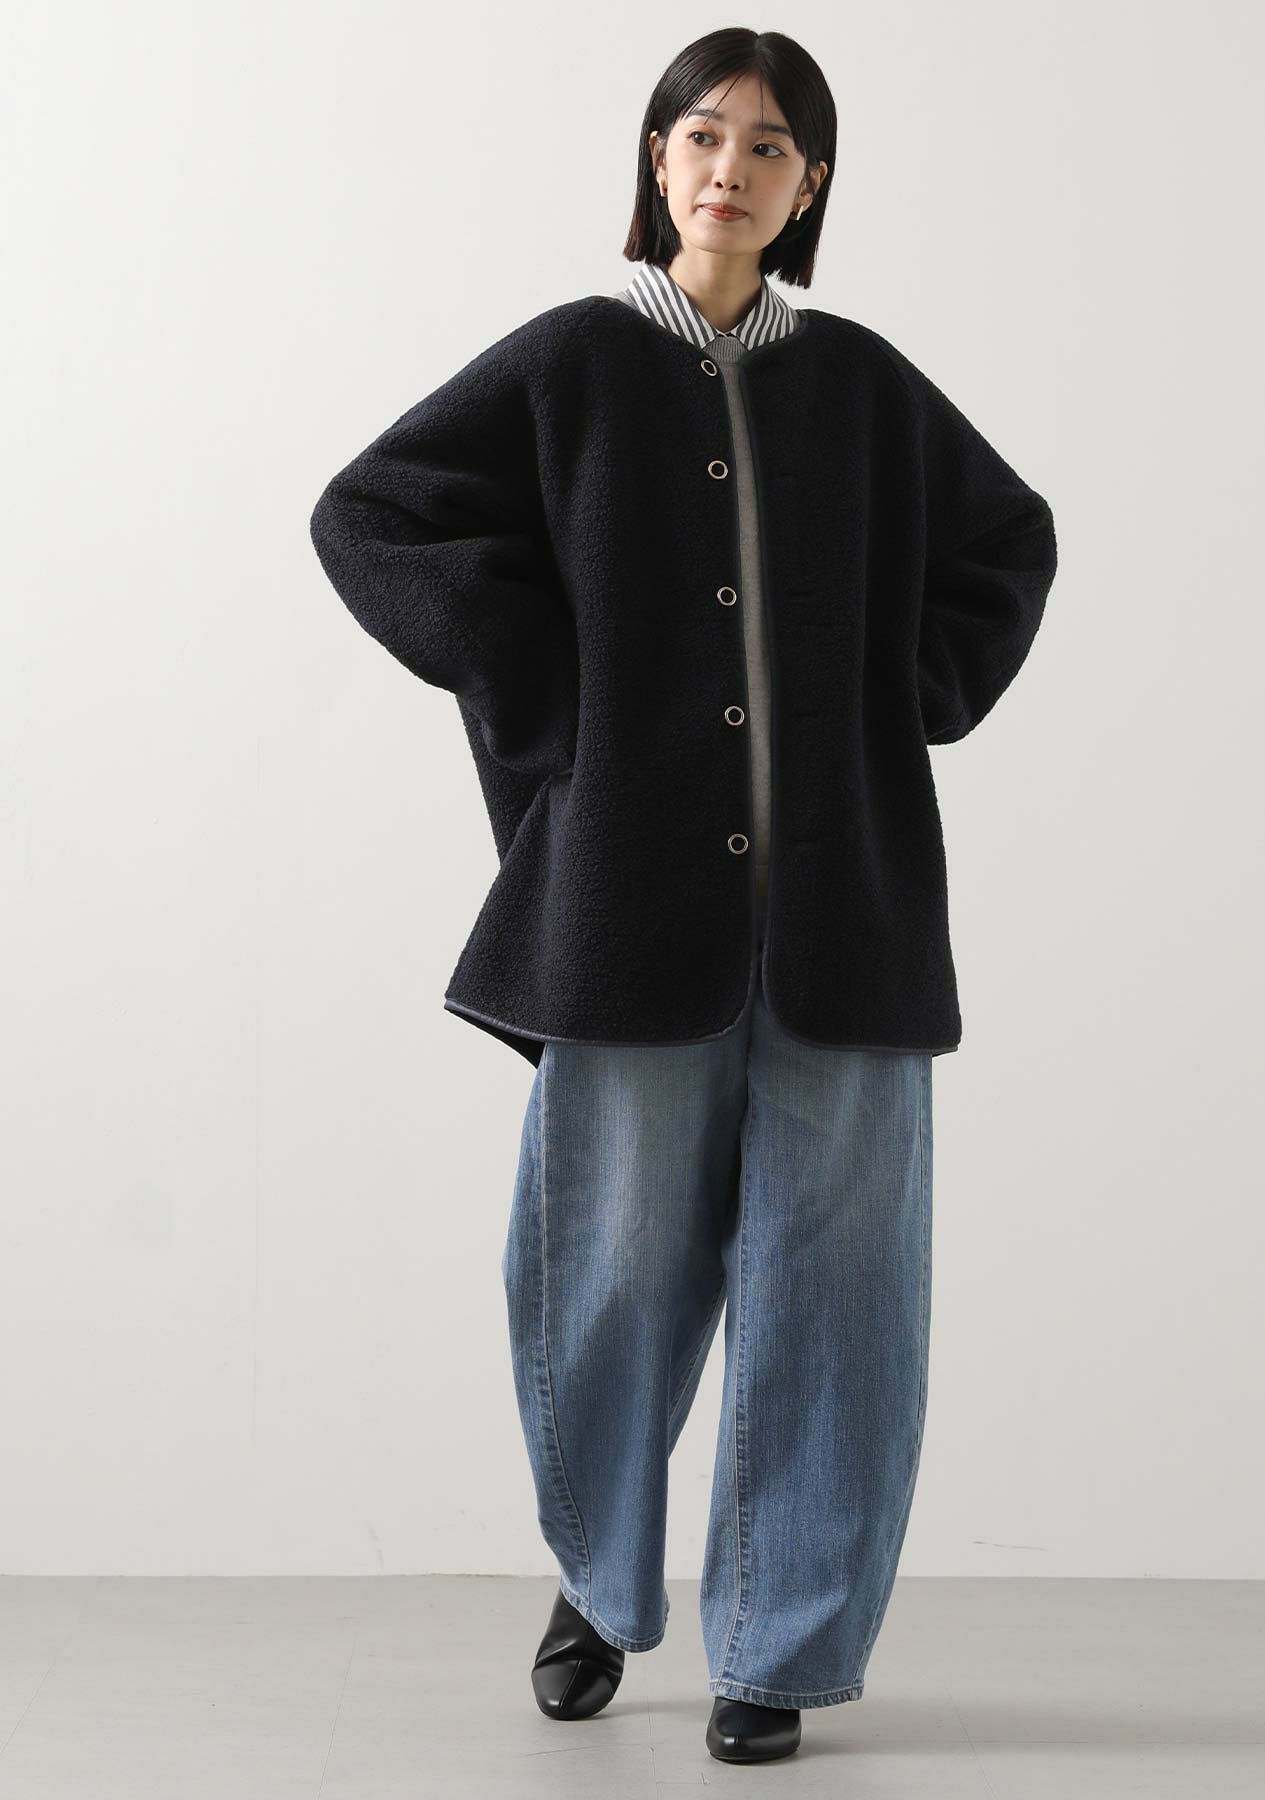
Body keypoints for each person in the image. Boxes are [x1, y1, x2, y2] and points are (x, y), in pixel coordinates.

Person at [309, 27, 1057, 1768]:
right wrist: (543, 689)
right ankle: (598, 1578)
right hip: (625, 918)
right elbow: (373, 514)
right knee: (611, 1274)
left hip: (850, 922)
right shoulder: (573, 361)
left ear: (811, 188)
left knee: (837, 1293)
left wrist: (906, 692)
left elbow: (1007, 542)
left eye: (771, 147)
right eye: (704, 135)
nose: (732, 168)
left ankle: (778, 1648)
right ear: (658, 160)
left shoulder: (862, 386)